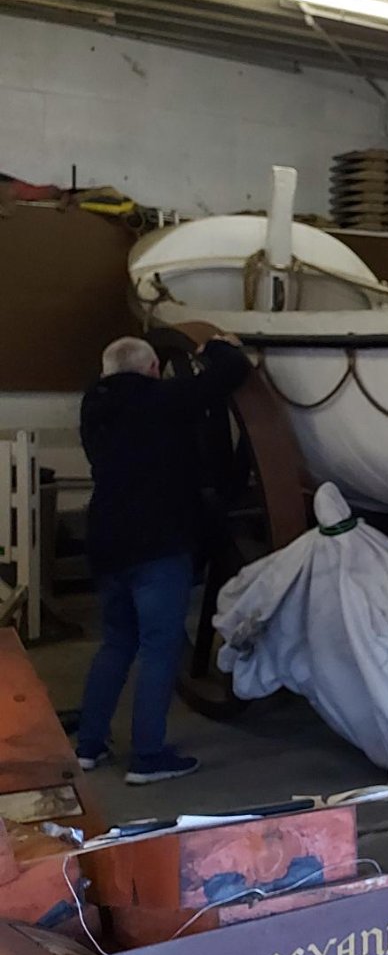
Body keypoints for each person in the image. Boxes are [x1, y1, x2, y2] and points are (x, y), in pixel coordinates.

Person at [75, 333, 249, 784]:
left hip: (108, 541)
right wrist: (215, 346)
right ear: (154, 369)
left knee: (117, 643)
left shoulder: (93, 407)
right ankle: (148, 757)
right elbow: (233, 373)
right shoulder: (164, 400)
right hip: (159, 542)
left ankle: (90, 746)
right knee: (160, 648)